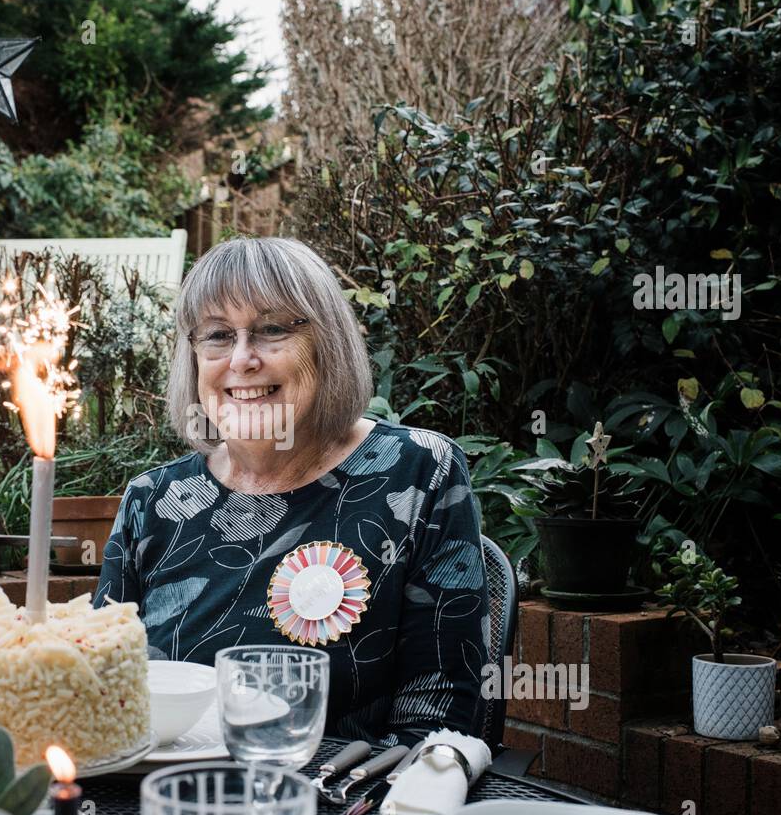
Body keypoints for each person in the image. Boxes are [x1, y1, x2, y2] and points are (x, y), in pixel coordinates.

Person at [96, 237, 489, 746]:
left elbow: (435, 719)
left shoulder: (417, 472)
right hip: (169, 796)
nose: (241, 360)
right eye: (217, 335)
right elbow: (108, 695)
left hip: (343, 805)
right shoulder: (154, 500)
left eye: (273, 329)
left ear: (327, 343)